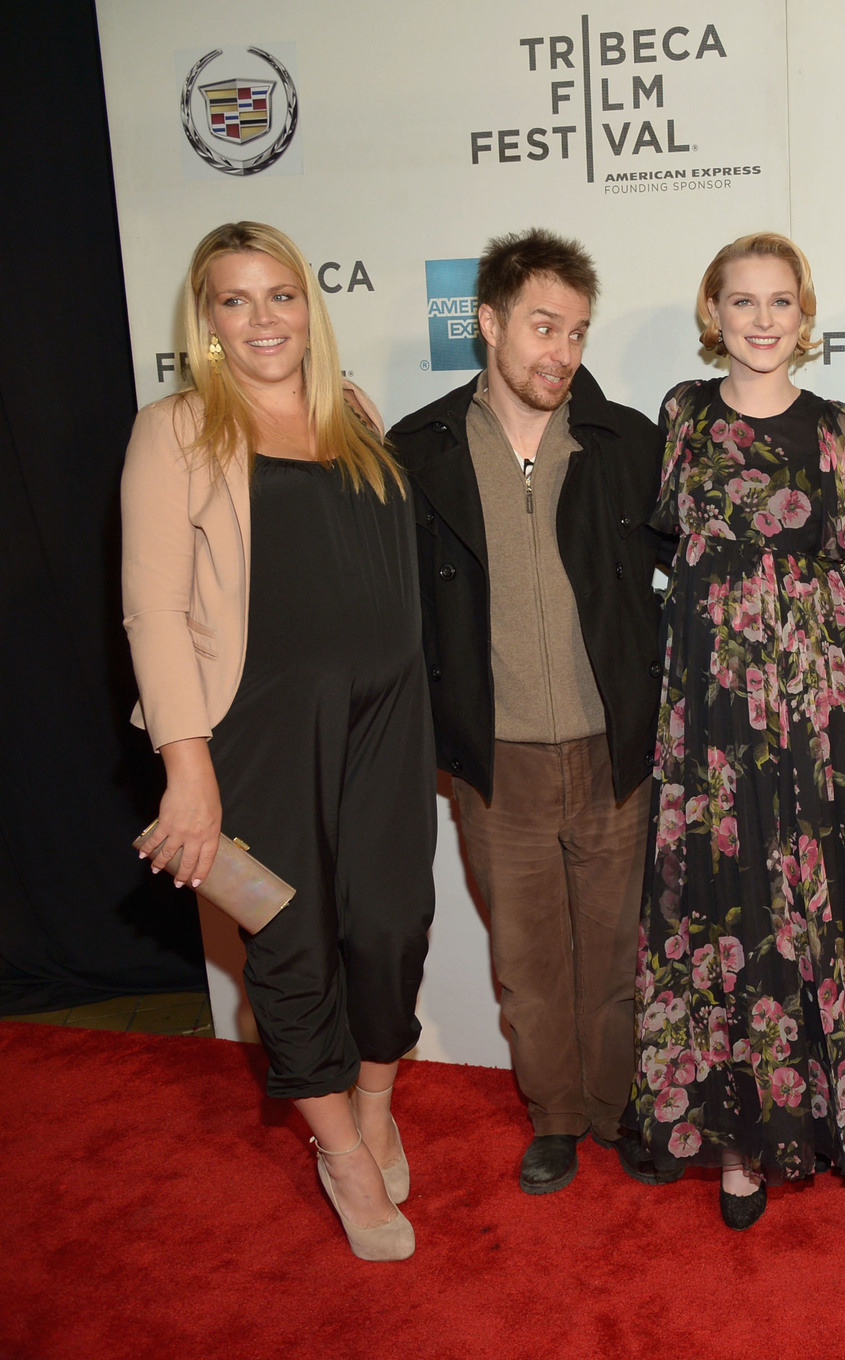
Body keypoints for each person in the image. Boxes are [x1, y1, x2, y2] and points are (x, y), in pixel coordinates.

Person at [123, 221, 434, 1260]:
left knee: (391, 926)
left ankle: (378, 1095)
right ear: (205, 324)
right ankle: (341, 1149)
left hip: (389, 720)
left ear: (311, 306)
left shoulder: (352, 418)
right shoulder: (173, 431)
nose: (263, 319)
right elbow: (154, 612)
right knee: (288, 944)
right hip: (251, 732)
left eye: (280, 295)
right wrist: (187, 769)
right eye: (235, 300)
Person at [626, 233, 845, 1229]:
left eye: (778, 301)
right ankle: (739, 1143)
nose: (760, 319)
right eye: (740, 300)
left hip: (816, 704)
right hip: (711, 708)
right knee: (728, 902)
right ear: (713, 312)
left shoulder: (837, 427)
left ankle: (832, 1118)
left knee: (819, 897)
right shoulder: (682, 416)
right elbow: (671, 549)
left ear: (804, 313)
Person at [388, 230, 666, 1194]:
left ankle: (615, 1108)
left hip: (612, 749)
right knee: (529, 965)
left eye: (578, 333)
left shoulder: (627, 441)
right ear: (491, 323)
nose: (560, 351)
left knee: (621, 954)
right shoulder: (417, 449)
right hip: (494, 761)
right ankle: (553, 1116)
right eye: (543, 326)